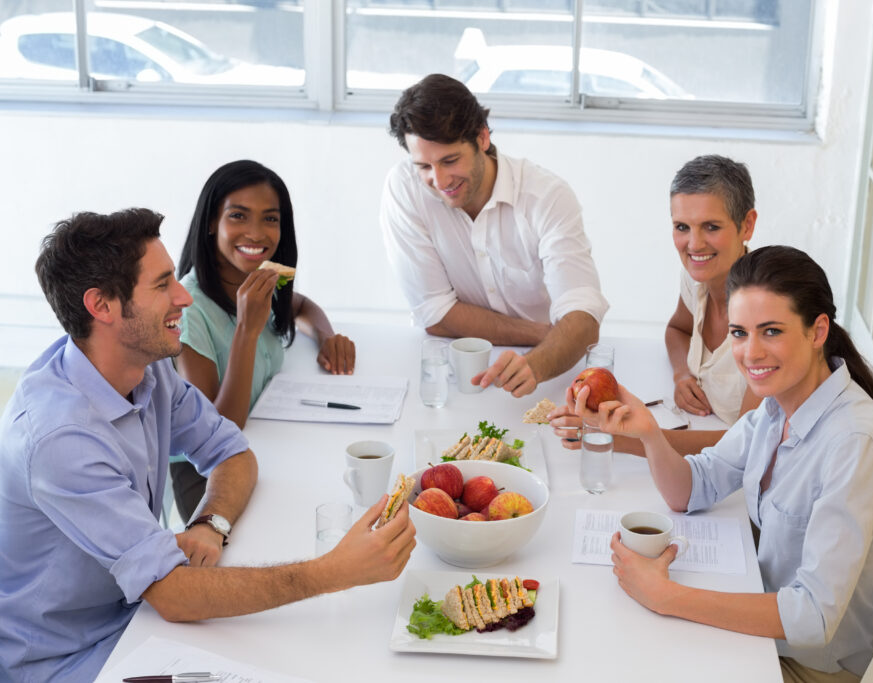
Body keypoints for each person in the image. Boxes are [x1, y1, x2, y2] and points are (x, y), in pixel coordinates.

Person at [0, 210, 414, 682]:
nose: (183, 298)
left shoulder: (144, 366)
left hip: (136, 618)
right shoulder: (60, 439)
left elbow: (233, 453)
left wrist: (210, 523)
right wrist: (333, 571)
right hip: (66, 661)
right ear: (102, 306)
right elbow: (176, 596)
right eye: (161, 286)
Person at [571, 246, 873, 681]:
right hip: (758, 624)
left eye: (770, 331)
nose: (750, 353)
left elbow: (812, 618)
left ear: (817, 330)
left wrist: (666, 595)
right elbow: (691, 490)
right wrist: (649, 433)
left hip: (803, 666)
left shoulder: (853, 444)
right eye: (739, 332)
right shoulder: (776, 407)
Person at [381, 73, 609, 397]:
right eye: (424, 166)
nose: (440, 179)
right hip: (452, 374)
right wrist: (549, 334)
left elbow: (583, 319)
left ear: (482, 138)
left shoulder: (547, 197)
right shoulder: (405, 187)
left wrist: (536, 362)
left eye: (450, 160)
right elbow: (436, 315)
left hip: (545, 374)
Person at [171, 160, 356, 519]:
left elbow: (299, 305)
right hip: (209, 475)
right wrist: (247, 331)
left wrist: (326, 336)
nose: (256, 233)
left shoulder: (255, 279)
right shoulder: (190, 310)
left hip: (265, 443)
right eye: (238, 216)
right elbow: (217, 428)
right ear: (212, 222)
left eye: (270, 219)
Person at [550, 155, 760, 456]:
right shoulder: (698, 278)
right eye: (682, 227)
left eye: (711, 227)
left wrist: (611, 437)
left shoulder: (767, 316)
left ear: (747, 225)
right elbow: (677, 329)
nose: (694, 244)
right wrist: (681, 375)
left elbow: (744, 444)